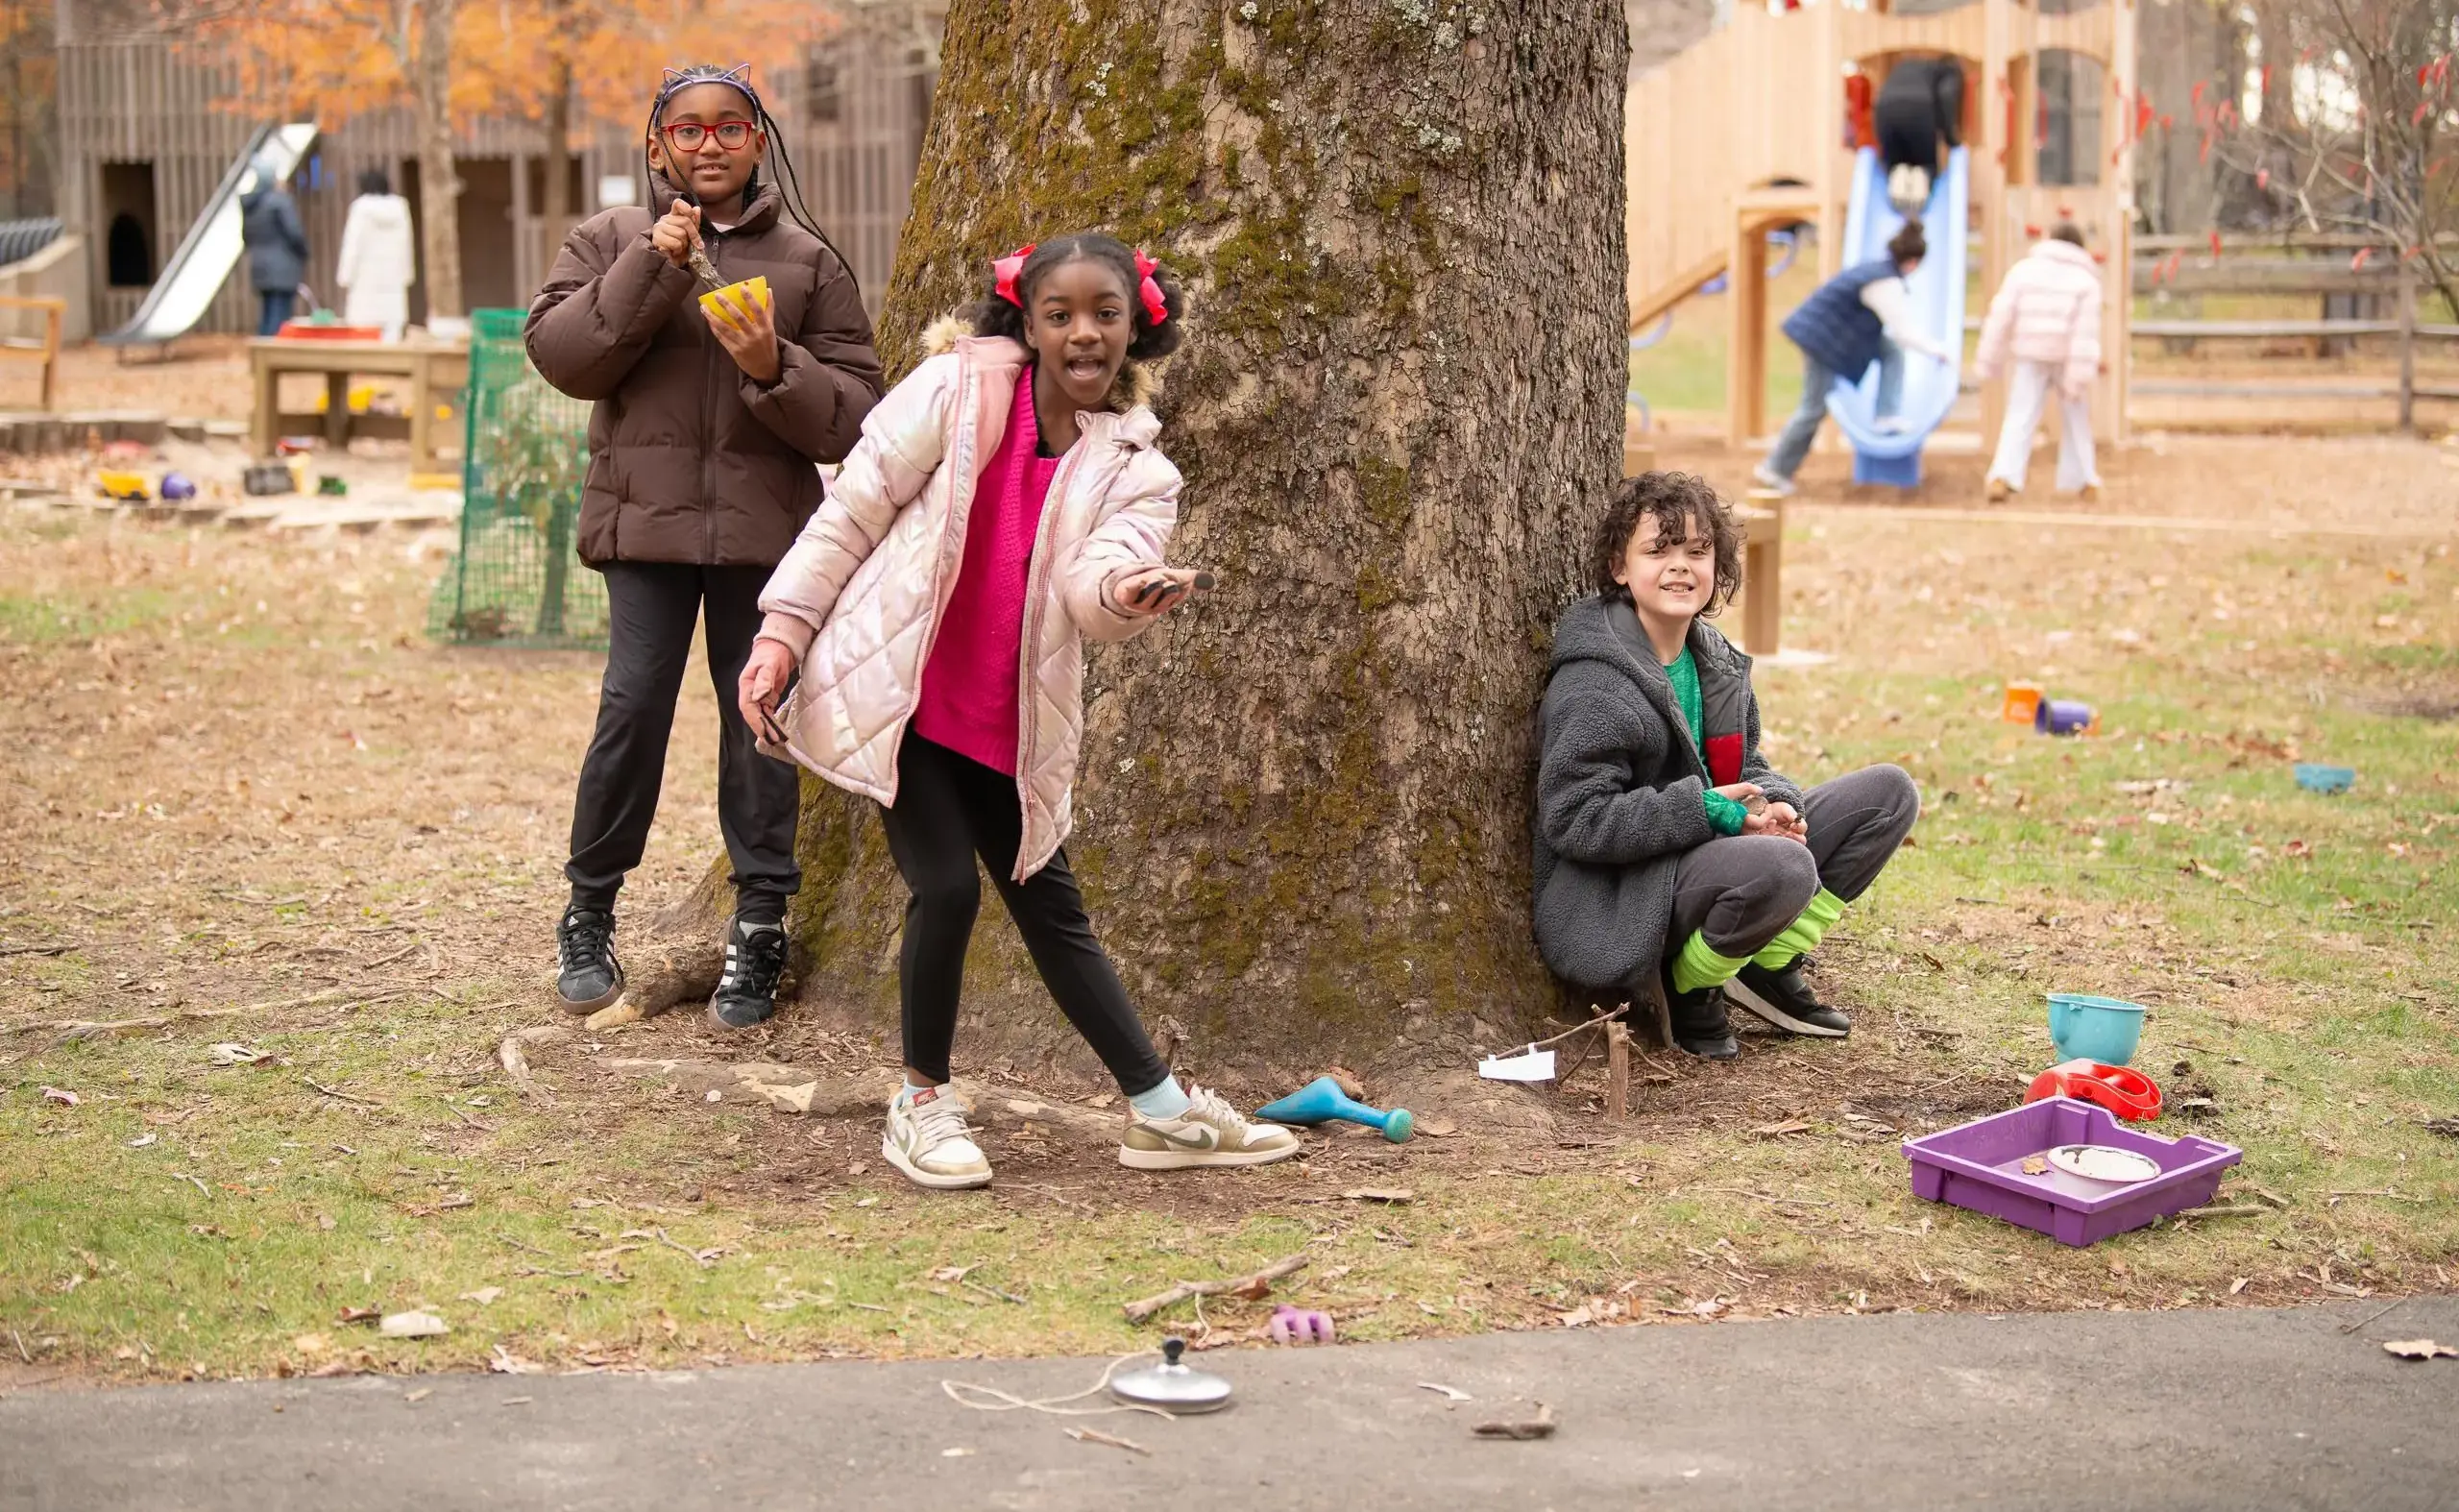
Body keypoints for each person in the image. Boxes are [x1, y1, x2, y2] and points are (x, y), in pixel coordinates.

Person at [736, 233, 1302, 1191]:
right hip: (904, 694)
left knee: (1048, 897)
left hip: (1008, 713)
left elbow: (1094, 581)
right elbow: (853, 510)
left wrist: (1126, 593)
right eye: (1060, 314)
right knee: (947, 887)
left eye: (1104, 314)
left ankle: (1158, 1109)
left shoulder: (1136, 467)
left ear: (1137, 327)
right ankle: (920, 1102)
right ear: (1028, 322)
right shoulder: (952, 395)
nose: (1083, 332)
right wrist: (781, 630)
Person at [525, 63, 884, 1030]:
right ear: (657, 148)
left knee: (759, 715)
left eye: (731, 127)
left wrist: (776, 365)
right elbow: (564, 356)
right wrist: (652, 262)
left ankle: (760, 922)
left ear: (759, 143)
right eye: (688, 130)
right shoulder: (606, 241)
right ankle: (589, 908)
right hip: (642, 524)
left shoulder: (808, 261)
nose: (710, 144)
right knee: (632, 705)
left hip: (762, 533)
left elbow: (857, 416)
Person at [1533, 473, 1920, 1060]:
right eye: (1657, 550)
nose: (1680, 565)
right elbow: (1575, 818)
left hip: (1717, 854)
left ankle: (1768, 960)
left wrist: (1774, 802)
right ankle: (1692, 984)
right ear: (1619, 567)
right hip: (1628, 890)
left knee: (1889, 795)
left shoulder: (1712, 659)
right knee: (1785, 868)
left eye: (1697, 550)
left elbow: (1746, 764)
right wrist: (1711, 810)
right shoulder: (1594, 680)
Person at [1753, 222, 1953, 496]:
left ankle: (1886, 414)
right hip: (1822, 340)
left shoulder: (1876, 271)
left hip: (1825, 334)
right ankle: (1775, 468)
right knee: (1812, 408)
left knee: (1890, 351)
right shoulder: (1886, 283)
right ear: (1913, 262)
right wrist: (1937, 350)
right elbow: (1903, 331)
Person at [1976, 222, 2104, 501]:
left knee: (2020, 415)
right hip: (2067, 358)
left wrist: (1989, 358)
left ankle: (2003, 475)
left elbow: (2000, 316)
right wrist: (2079, 376)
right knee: (2076, 419)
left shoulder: (2023, 271)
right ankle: (2086, 479)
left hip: (2030, 355)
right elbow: (2085, 334)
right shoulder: (2086, 281)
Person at [1874, 56, 1964, 216]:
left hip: (1885, 109)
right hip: (1918, 108)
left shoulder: (1905, 65)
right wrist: (1951, 139)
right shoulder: (1949, 72)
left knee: (1895, 161)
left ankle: (1898, 179)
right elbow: (1946, 96)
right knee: (1925, 163)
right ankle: (1920, 192)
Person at [335, 168, 417, 341]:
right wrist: (407, 275)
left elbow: (352, 246)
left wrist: (345, 276)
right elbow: (406, 245)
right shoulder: (401, 208)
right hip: (393, 283)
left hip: (365, 281)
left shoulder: (360, 208)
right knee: (391, 337)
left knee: (363, 337)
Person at [240, 164, 308, 337]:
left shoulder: (250, 206)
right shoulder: (279, 202)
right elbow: (294, 232)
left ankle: (262, 355)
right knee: (280, 318)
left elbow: (246, 237)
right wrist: (303, 252)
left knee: (267, 314)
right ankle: (275, 357)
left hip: (260, 265)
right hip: (282, 266)